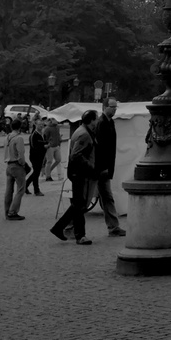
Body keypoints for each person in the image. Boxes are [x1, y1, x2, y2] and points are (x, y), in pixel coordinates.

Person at [50, 111, 97, 245]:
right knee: (78, 205)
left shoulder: (81, 130)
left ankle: (75, 234)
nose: (97, 121)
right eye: (96, 119)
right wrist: (90, 167)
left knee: (79, 204)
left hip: (77, 172)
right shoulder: (84, 134)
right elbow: (76, 155)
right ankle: (71, 232)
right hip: (79, 172)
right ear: (92, 120)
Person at [93, 102, 125, 237]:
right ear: (104, 107)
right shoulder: (102, 123)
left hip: (105, 167)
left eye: (115, 107)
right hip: (101, 168)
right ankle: (69, 226)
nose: (114, 109)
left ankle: (113, 226)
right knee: (99, 197)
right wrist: (104, 167)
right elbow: (100, 148)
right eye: (112, 107)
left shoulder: (109, 122)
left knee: (106, 197)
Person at [3, 118, 30, 220]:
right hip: (17, 165)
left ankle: (7, 210)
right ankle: (12, 211)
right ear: (20, 127)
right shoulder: (19, 138)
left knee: (9, 190)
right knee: (20, 190)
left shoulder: (7, 137)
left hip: (8, 165)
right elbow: (21, 155)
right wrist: (23, 165)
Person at [26, 116, 47, 196]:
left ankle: (26, 185)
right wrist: (44, 146)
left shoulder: (42, 134)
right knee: (36, 173)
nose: (41, 126)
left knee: (36, 173)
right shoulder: (33, 135)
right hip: (35, 157)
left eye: (42, 124)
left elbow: (43, 143)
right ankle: (36, 190)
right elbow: (34, 147)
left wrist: (47, 144)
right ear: (35, 125)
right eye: (39, 125)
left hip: (41, 156)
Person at [42, 116, 63, 182]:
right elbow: (45, 137)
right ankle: (48, 176)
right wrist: (47, 144)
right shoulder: (47, 128)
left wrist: (59, 139)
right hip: (50, 146)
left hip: (56, 145)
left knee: (58, 159)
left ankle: (48, 171)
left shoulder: (57, 127)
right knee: (49, 161)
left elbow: (58, 135)